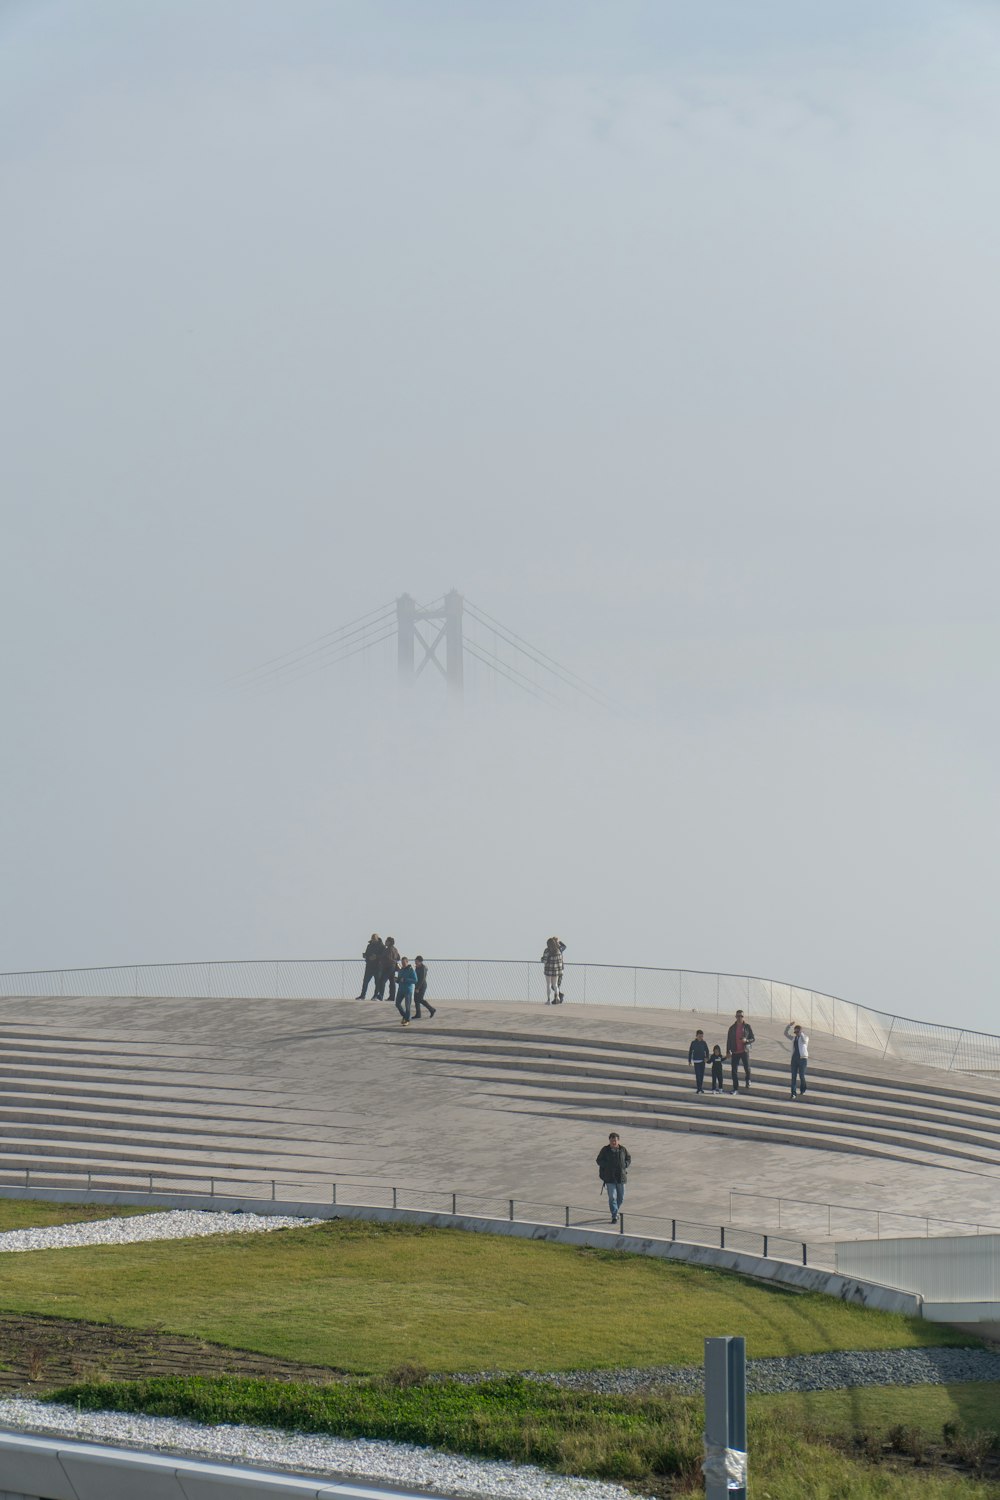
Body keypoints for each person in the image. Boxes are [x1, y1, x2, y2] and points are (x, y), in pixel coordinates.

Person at [596, 1131, 630, 1224]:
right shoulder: (605, 1150)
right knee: (612, 1197)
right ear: (609, 1141)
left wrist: (625, 1164)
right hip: (609, 1178)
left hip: (621, 1178)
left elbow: (628, 1158)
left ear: (618, 1141)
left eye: (615, 1141)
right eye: (612, 1141)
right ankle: (614, 1216)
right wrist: (607, 1166)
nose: (613, 1143)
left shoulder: (623, 1149)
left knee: (621, 1198)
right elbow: (598, 1160)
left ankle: (615, 1211)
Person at [725, 1009, 755, 1092]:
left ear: (743, 1017)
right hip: (735, 1052)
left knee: (747, 1067)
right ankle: (735, 1088)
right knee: (734, 1071)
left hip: (744, 1051)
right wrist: (728, 1051)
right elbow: (729, 1040)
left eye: (741, 1016)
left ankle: (748, 1079)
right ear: (735, 1017)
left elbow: (753, 1038)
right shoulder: (732, 1028)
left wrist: (746, 1040)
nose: (739, 1018)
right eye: (738, 1016)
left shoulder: (747, 1027)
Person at [785, 1021, 809, 1098]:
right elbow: (786, 1034)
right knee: (793, 1076)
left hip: (802, 1059)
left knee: (802, 1075)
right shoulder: (794, 1038)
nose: (796, 1033)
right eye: (795, 1031)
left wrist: (801, 1033)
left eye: (797, 1031)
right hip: (794, 1059)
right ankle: (793, 1093)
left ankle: (803, 1089)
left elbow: (804, 1042)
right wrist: (789, 1026)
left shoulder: (805, 1037)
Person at [357, 934, 384, 1000]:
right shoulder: (369, 945)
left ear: (377, 938)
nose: (373, 940)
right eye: (372, 938)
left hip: (378, 967)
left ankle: (375, 996)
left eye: (374, 938)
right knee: (365, 981)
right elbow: (367, 953)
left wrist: (376, 957)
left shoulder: (382, 946)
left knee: (377, 982)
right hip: (369, 966)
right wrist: (365, 956)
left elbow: (383, 956)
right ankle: (362, 995)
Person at [542, 937, 566, 1004]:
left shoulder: (547, 950)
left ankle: (548, 1000)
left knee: (548, 984)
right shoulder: (558, 951)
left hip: (548, 970)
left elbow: (544, 960)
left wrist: (542, 959)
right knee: (555, 985)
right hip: (556, 970)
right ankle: (557, 997)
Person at [377, 936, 400, 1003]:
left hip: (388, 967)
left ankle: (380, 996)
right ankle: (392, 997)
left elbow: (388, 958)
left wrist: (381, 958)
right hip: (392, 967)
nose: (385, 942)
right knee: (392, 982)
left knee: (382, 980)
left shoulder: (388, 949)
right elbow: (398, 957)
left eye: (386, 941)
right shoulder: (395, 949)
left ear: (389, 942)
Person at [395, 957, 418, 1026]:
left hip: (408, 990)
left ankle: (407, 1020)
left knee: (407, 1006)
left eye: (404, 963)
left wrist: (405, 980)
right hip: (400, 990)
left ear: (407, 962)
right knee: (397, 1004)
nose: (403, 964)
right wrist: (397, 980)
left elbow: (415, 980)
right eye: (402, 963)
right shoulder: (401, 970)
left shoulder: (411, 970)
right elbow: (399, 980)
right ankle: (405, 1016)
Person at [687, 1029, 709, 1093]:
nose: (701, 1038)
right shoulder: (693, 1043)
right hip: (696, 1061)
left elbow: (707, 1051)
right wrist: (689, 1061)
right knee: (698, 1075)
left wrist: (707, 1058)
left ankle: (700, 1088)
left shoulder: (704, 1042)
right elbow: (690, 1052)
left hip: (702, 1061)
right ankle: (698, 1088)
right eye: (699, 1036)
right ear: (696, 1036)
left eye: (702, 1036)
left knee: (701, 1075)